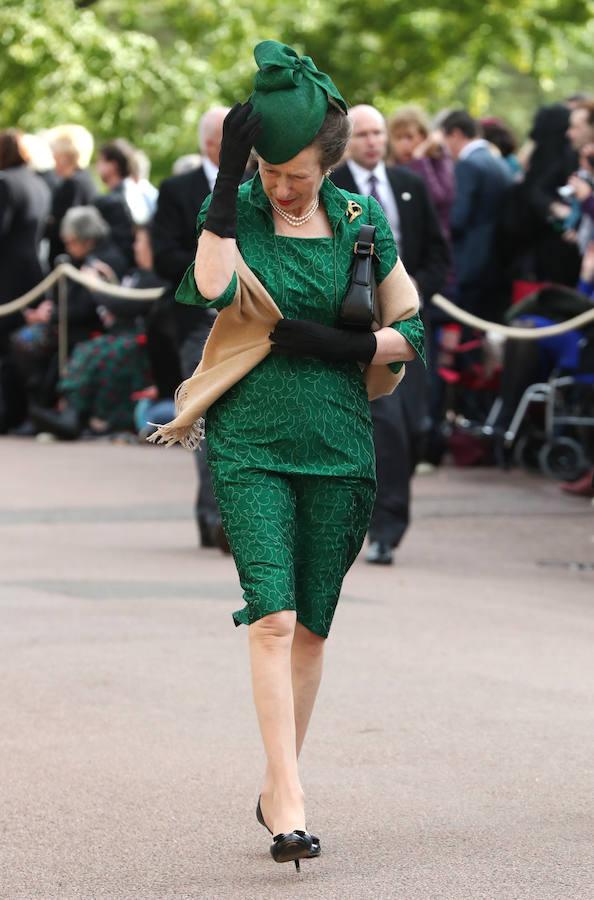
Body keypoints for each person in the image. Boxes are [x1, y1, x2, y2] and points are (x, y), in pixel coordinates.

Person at [149, 41, 423, 868]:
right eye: (269, 170)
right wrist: (232, 191)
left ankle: (278, 782)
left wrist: (348, 347)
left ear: (328, 163)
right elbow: (205, 287)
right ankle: (291, 801)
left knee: (310, 631)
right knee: (269, 616)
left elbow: (408, 332)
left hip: (339, 440)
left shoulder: (358, 223)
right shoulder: (240, 209)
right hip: (251, 439)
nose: (281, 186)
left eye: (294, 175)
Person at [331, 104, 448, 563]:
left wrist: (413, 293)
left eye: (379, 133)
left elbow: (439, 254)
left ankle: (387, 521)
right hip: (354, 327)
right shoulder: (332, 187)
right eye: (362, 134)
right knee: (384, 426)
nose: (373, 142)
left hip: (406, 323)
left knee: (413, 426)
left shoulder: (410, 187)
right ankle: (379, 528)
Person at [151, 107, 229, 550]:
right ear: (209, 142)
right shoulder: (178, 189)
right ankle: (216, 517)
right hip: (197, 323)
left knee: (235, 421)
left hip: (250, 324)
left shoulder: (258, 186)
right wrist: (211, 274)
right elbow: (163, 255)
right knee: (203, 417)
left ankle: (226, 516)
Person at [0, 129, 51, 430]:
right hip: (33, 270)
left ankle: (9, 413)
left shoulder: (6, 183)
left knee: (6, 345)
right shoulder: (38, 183)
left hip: (7, 275)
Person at [441, 109, 513, 321]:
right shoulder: (499, 162)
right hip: (496, 259)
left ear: (455, 134)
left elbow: (458, 219)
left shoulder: (469, 165)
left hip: (471, 260)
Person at [387, 105, 454, 241]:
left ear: (424, 137)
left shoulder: (437, 159)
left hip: (433, 241)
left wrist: (419, 160)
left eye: (409, 137)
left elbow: (439, 199)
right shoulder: (389, 165)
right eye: (398, 138)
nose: (404, 144)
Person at [46, 125, 97, 265]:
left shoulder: (74, 184)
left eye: (54, 153)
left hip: (69, 261)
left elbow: (65, 225)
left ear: (65, 156)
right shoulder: (83, 179)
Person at [94, 139, 136, 266]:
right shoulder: (137, 192)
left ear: (113, 165)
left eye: (101, 161)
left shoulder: (110, 202)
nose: (97, 166)